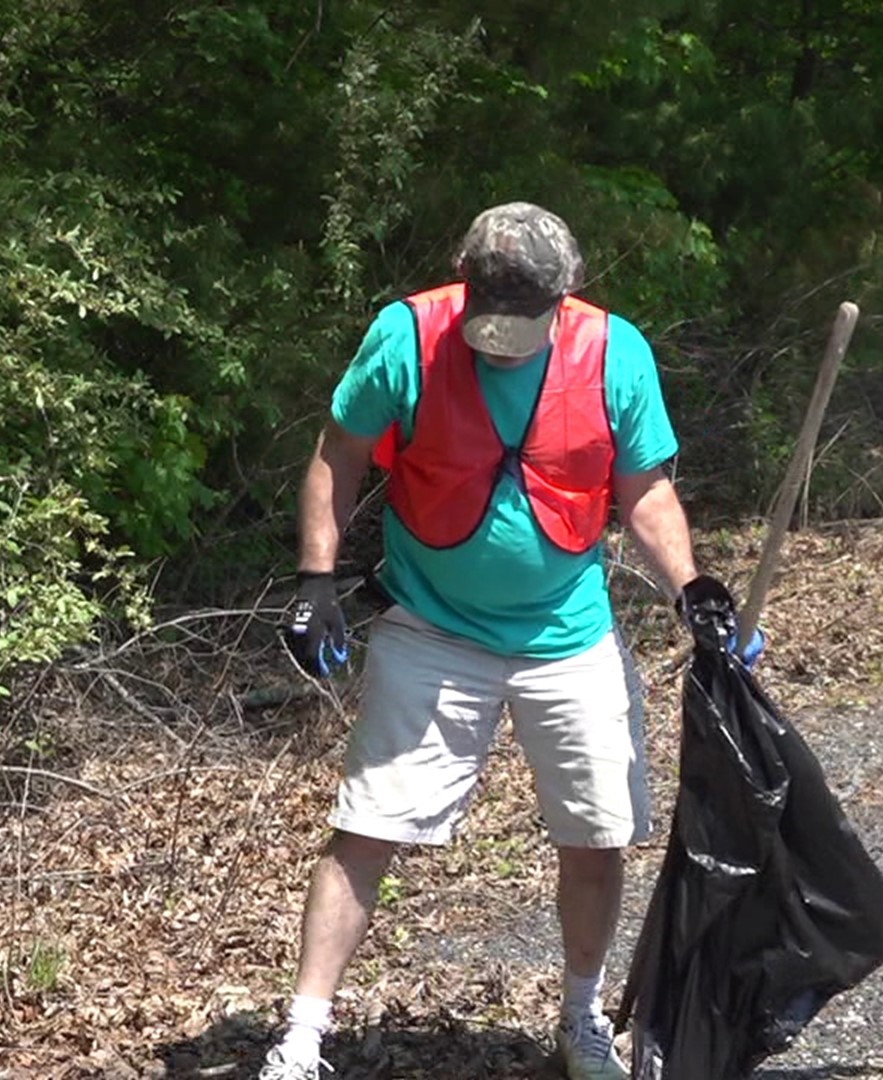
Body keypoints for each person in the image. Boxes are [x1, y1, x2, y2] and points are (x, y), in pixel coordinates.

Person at [264, 202, 756, 1080]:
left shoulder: (613, 351)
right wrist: (314, 581)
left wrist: (693, 588)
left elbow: (643, 488)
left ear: (562, 299)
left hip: (567, 633)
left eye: (521, 319)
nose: (499, 336)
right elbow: (338, 454)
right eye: (488, 313)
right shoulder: (408, 336)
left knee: (599, 830)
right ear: (466, 282)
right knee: (366, 825)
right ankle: (302, 1038)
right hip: (430, 625)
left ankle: (580, 1018)